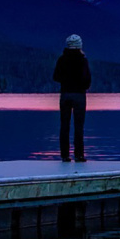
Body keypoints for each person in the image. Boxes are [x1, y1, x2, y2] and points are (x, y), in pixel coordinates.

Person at [53, 34, 91, 162]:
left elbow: (56, 77)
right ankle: (79, 155)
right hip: (79, 95)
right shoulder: (82, 60)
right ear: (80, 45)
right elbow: (87, 80)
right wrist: (82, 85)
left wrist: (66, 81)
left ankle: (64, 155)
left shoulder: (62, 59)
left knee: (64, 125)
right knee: (78, 126)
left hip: (65, 94)